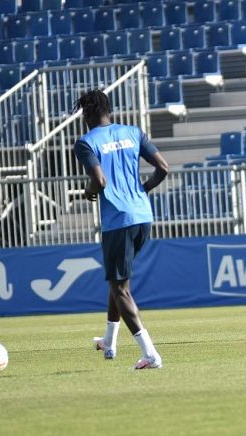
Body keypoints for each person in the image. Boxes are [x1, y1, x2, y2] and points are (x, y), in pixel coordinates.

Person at [72, 89, 169, 370]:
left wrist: (88, 190)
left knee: (120, 287)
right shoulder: (133, 132)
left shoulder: (85, 143)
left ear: (86, 114)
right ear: (109, 110)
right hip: (143, 216)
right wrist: (142, 190)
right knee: (118, 282)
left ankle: (150, 355)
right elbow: (163, 168)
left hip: (117, 221)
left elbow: (99, 181)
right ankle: (109, 341)